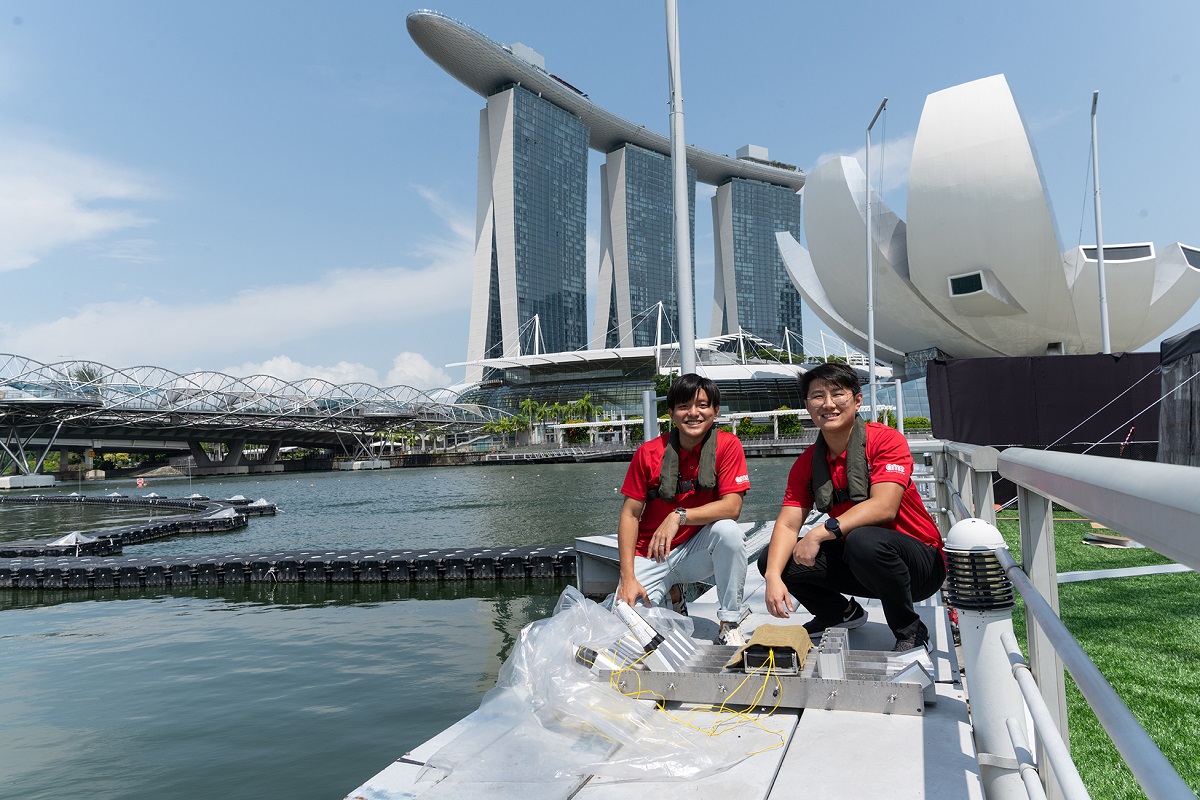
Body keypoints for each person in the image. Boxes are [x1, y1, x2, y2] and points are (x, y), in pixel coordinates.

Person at [757, 363, 945, 652]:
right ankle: (840, 613)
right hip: (863, 563)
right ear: (807, 405)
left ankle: (910, 630)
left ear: (857, 400)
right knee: (773, 557)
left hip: (920, 564)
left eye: (837, 394)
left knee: (862, 540)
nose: (828, 404)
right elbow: (787, 524)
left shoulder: (884, 440)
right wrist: (772, 576)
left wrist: (819, 533)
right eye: (818, 396)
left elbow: (884, 507)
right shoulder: (807, 462)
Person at [616, 373, 751, 646]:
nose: (693, 413)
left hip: (696, 551)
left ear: (715, 411)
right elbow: (630, 514)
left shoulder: (728, 445)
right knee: (629, 628)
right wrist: (627, 577)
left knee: (729, 532)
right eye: (683, 406)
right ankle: (674, 595)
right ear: (671, 413)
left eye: (702, 405)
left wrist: (679, 515)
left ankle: (729, 622)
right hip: (652, 553)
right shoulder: (648, 453)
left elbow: (732, 506)